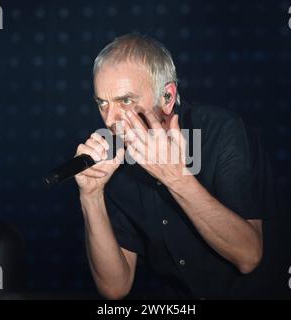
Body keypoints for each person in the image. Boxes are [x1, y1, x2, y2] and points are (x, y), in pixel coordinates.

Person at [74, 33, 271, 299]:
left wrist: (176, 177)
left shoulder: (223, 131)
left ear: (167, 97)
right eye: (102, 104)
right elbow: (114, 289)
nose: (110, 119)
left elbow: (248, 256)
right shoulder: (117, 158)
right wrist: (91, 196)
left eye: (126, 101)